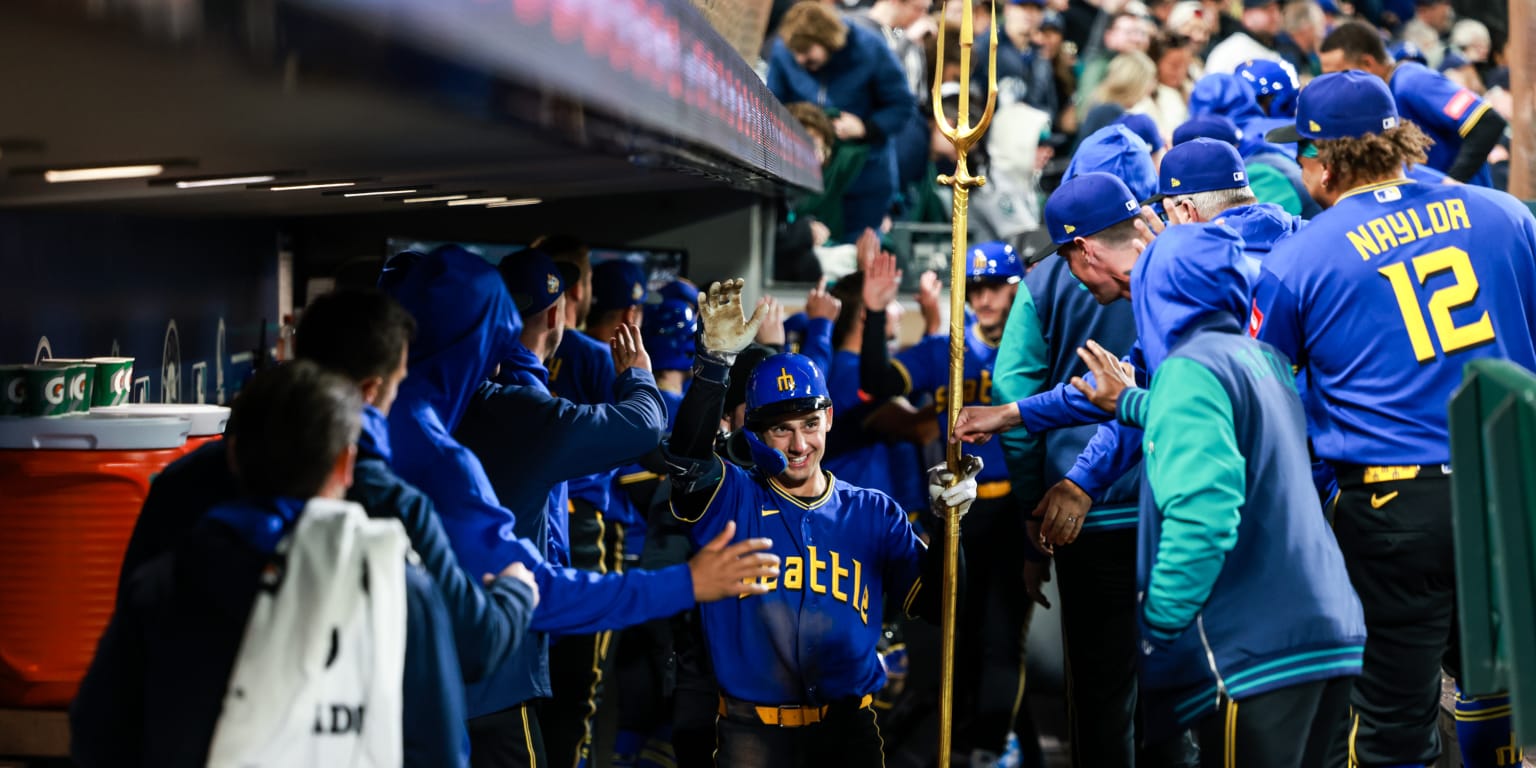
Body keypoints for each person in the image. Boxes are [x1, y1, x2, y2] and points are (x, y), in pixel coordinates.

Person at [379, 247, 780, 767]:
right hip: (485, 680)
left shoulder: (366, 422)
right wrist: (687, 583)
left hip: (388, 687)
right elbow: (534, 585)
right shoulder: (457, 441)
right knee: (584, 720)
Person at [1257, 70, 1536, 768]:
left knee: (1389, 720)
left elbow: (1263, 393)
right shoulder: (1505, 214)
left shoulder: (1300, 255)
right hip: (1509, 481)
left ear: (1324, 161)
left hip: (1392, 501)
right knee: (1498, 688)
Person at [114, 288, 540, 690]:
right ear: (372, 391)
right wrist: (515, 590)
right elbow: (474, 644)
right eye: (397, 385)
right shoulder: (391, 504)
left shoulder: (180, 480)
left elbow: (127, 643)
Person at [1070, 223, 1367, 768]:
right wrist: (1131, 402)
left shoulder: (1189, 371)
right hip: (1331, 640)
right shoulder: (1265, 362)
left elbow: (1203, 519)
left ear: (1162, 290)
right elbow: (1213, 422)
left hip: (1254, 654)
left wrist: (1159, 623)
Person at [74, 361, 468, 767]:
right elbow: (439, 751)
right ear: (345, 464)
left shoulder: (163, 585)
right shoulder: (397, 586)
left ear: (233, 457)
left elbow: (99, 737)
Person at [662, 278, 978, 767]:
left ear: (829, 417)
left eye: (809, 424)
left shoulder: (875, 512)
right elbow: (685, 461)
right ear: (754, 432)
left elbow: (939, 604)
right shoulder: (732, 496)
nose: (798, 445)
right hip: (752, 736)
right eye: (780, 429)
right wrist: (713, 367)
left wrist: (947, 527)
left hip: (848, 732)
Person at [857, 240, 1027, 766]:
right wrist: (872, 312)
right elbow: (875, 384)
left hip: (1014, 511)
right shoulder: (948, 348)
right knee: (949, 640)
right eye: (974, 288)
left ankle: (991, 747)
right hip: (955, 512)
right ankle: (957, 742)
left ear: (1016, 288)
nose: (982, 298)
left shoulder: (1036, 348)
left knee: (1000, 639)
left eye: (993, 286)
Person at [768, 1, 915, 238]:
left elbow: (902, 104)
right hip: (805, 178)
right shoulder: (784, 51)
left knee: (856, 256)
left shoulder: (870, 49)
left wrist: (866, 127)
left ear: (830, 42)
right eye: (795, 52)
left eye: (807, 52)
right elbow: (773, 105)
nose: (800, 60)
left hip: (862, 179)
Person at [1319, 20, 1507, 186]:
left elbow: (1488, 121)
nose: (1334, 84)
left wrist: (1453, 182)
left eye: (1339, 74)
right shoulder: (1375, 100)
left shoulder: (1410, 80)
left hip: (1464, 209)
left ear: (1367, 63)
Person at [1204, 0, 1285, 74]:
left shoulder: (1280, 49)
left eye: (1279, 9)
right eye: (1268, 10)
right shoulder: (1232, 50)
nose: (1276, 16)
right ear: (1246, 13)